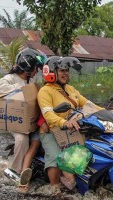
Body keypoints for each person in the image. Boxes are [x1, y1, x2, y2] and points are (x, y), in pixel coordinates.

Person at [37, 56, 102, 190]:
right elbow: (48, 115)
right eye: (62, 70)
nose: (65, 73)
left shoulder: (70, 89)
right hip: (52, 131)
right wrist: (64, 122)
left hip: (72, 129)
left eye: (67, 70)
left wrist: (105, 112)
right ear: (51, 73)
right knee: (55, 158)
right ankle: (55, 189)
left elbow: (88, 104)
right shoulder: (45, 91)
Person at [0, 47, 48, 193]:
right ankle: (16, 171)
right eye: (36, 68)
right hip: (16, 123)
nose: (38, 71)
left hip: (31, 121)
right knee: (22, 139)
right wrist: (20, 89)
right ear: (28, 67)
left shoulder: (31, 80)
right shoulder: (11, 79)